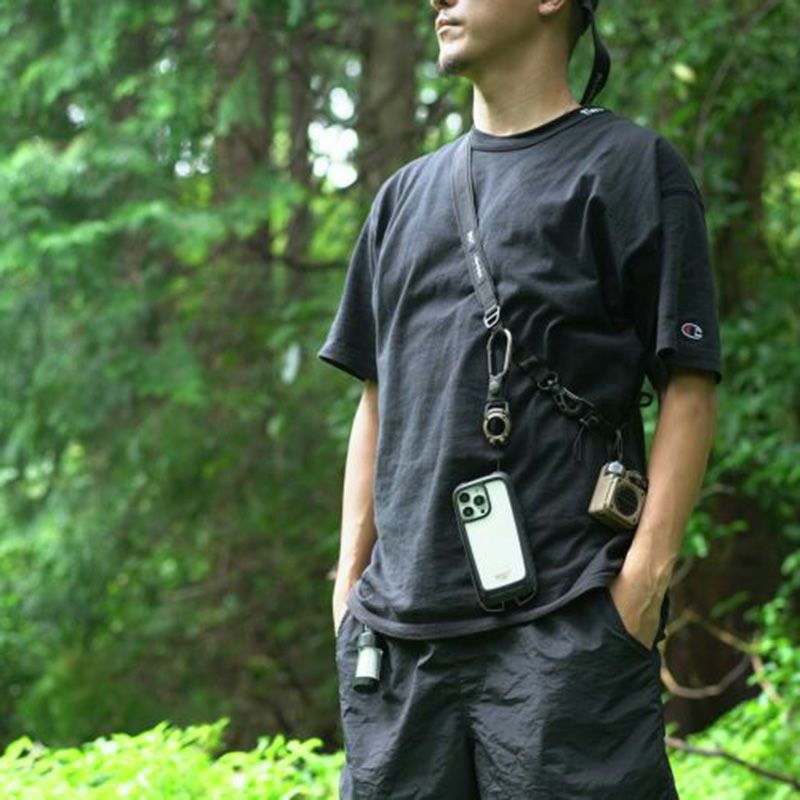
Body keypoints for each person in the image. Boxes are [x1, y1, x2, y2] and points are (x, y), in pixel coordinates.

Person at [317, 0, 722, 797]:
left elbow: (689, 383)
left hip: (565, 632)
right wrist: (348, 589)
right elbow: (376, 398)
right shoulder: (402, 198)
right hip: (397, 645)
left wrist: (640, 588)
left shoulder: (630, 169)